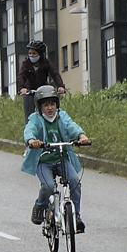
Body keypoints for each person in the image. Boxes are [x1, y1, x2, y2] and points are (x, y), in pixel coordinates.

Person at [22, 86, 90, 229]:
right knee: (48, 187)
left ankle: (76, 216)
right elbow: (30, 129)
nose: (50, 108)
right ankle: (40, 206)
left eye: (52, 104)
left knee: (75, 182)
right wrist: (31, 140)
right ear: (39, 107)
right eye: (46, 105)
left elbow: (71, 126)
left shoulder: (62, 116)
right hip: (44, 161)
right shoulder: (35, 118)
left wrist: (81, 136)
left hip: (62, 158)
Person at [15, 40, 65, 117]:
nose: (31, 55)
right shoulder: (26, 63)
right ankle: (29, 127)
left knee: (48, 111)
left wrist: (60, 86)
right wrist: (22, 88)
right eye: (30, 53)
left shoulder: (46, 63)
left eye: (34, 53)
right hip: (30, 92)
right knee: (29, 116)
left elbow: (55, 74)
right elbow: (21, 76)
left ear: (40, 54)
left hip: (43, 91)